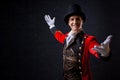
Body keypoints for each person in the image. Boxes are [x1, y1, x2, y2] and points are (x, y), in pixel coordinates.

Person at [44, 4, 112, 80]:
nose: (75, 22)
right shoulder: (66, 37)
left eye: (78, 19)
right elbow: (58, 36)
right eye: (72, 19)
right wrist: (52, 26)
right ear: (68, 23)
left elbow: (95, 49)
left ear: (82, 21)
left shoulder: (88, 40)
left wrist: (104, 53)